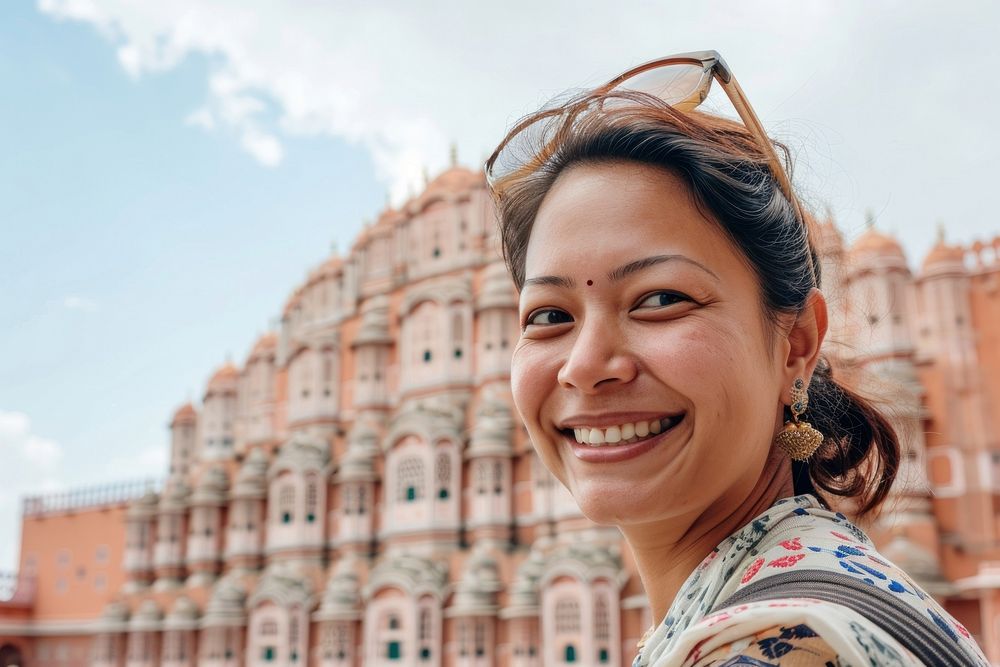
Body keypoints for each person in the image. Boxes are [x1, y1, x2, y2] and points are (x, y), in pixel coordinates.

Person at [485, 51, 989, 666]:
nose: (585, 364)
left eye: (661, 299)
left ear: (796, 345)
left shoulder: (785, 645)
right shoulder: (803, 592)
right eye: (548, 315)